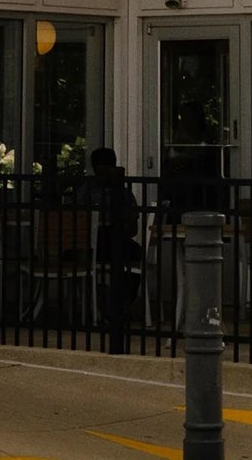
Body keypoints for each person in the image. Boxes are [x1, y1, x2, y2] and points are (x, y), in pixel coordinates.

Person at [89, 147, 141, 351]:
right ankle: (110, 307)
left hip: (114, 240)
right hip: (91, 243)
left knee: (135, 256)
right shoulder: (87, 191)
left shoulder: (123, 194)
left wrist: (117, 225)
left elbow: (133, 228)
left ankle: (119, 307)